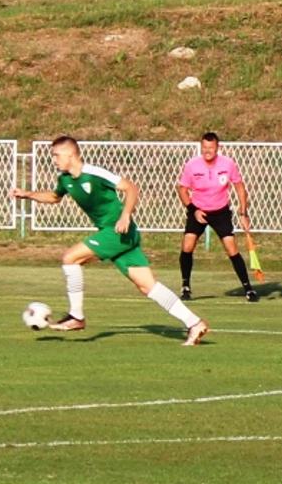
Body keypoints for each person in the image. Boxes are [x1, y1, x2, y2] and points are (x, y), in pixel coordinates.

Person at [11, 136, 209, 346]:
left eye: (56, 155)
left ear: (70, 154)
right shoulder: (65, 179)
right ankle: (194, 323)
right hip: (116, 235)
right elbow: (54, 197)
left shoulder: (94, 173)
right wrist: (27, 194)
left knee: (70, 258)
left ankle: (76, 316)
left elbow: (131, 188)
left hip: (118, 231)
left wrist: (125, 215)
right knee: (148, 286)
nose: (53, 160)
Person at [177, 132, 257, 302]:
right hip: (198, 210)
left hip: (220, 211)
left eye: (211, 148)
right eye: (204, 147)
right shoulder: (192, 165)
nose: (207, 151)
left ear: (217, 148)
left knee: (231, 248)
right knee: (187, 245)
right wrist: (193, 210)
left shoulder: (228, 164)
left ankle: (248, 289)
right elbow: (182, 189)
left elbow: (240, 188)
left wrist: (243, 213)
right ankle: (185, 286)